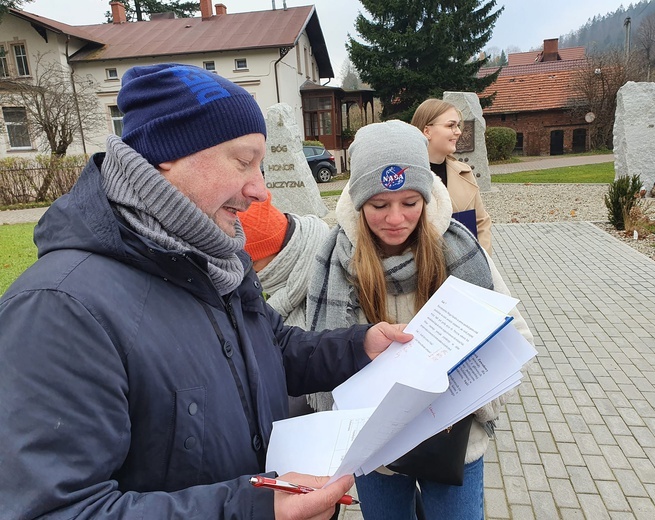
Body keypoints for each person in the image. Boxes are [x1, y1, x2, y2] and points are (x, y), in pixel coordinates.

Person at [0, 63, 412, 520]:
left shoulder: (218, 258)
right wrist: (256, 510)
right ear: (166, 155)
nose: (260, 190)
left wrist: (359, 347)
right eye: (243, 161)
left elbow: (271, 346)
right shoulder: (57, 308)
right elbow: (55, 510)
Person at [305, 120, 534, 520]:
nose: (395, 218)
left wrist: (475, 396)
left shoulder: (458, 250)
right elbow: (318, 353)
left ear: (427, 198)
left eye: (410, 203)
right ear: (359, 203)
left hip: (455, 438)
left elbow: (513, 333)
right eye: (379, 205)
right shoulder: (333, 260)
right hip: (374, 449)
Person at [411, 98, 493, 255]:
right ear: (427, 131)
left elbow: (481, 222)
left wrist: (481, 261)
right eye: (451, 125)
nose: (458, 131)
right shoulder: (405, 175)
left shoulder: (465, 173)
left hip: (464, 270)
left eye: (457, 125)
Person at [238, 190, 330, 328]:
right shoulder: (284, 283)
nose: (251, 272)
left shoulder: (334, 273)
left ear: (279, 258)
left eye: (252, 263)